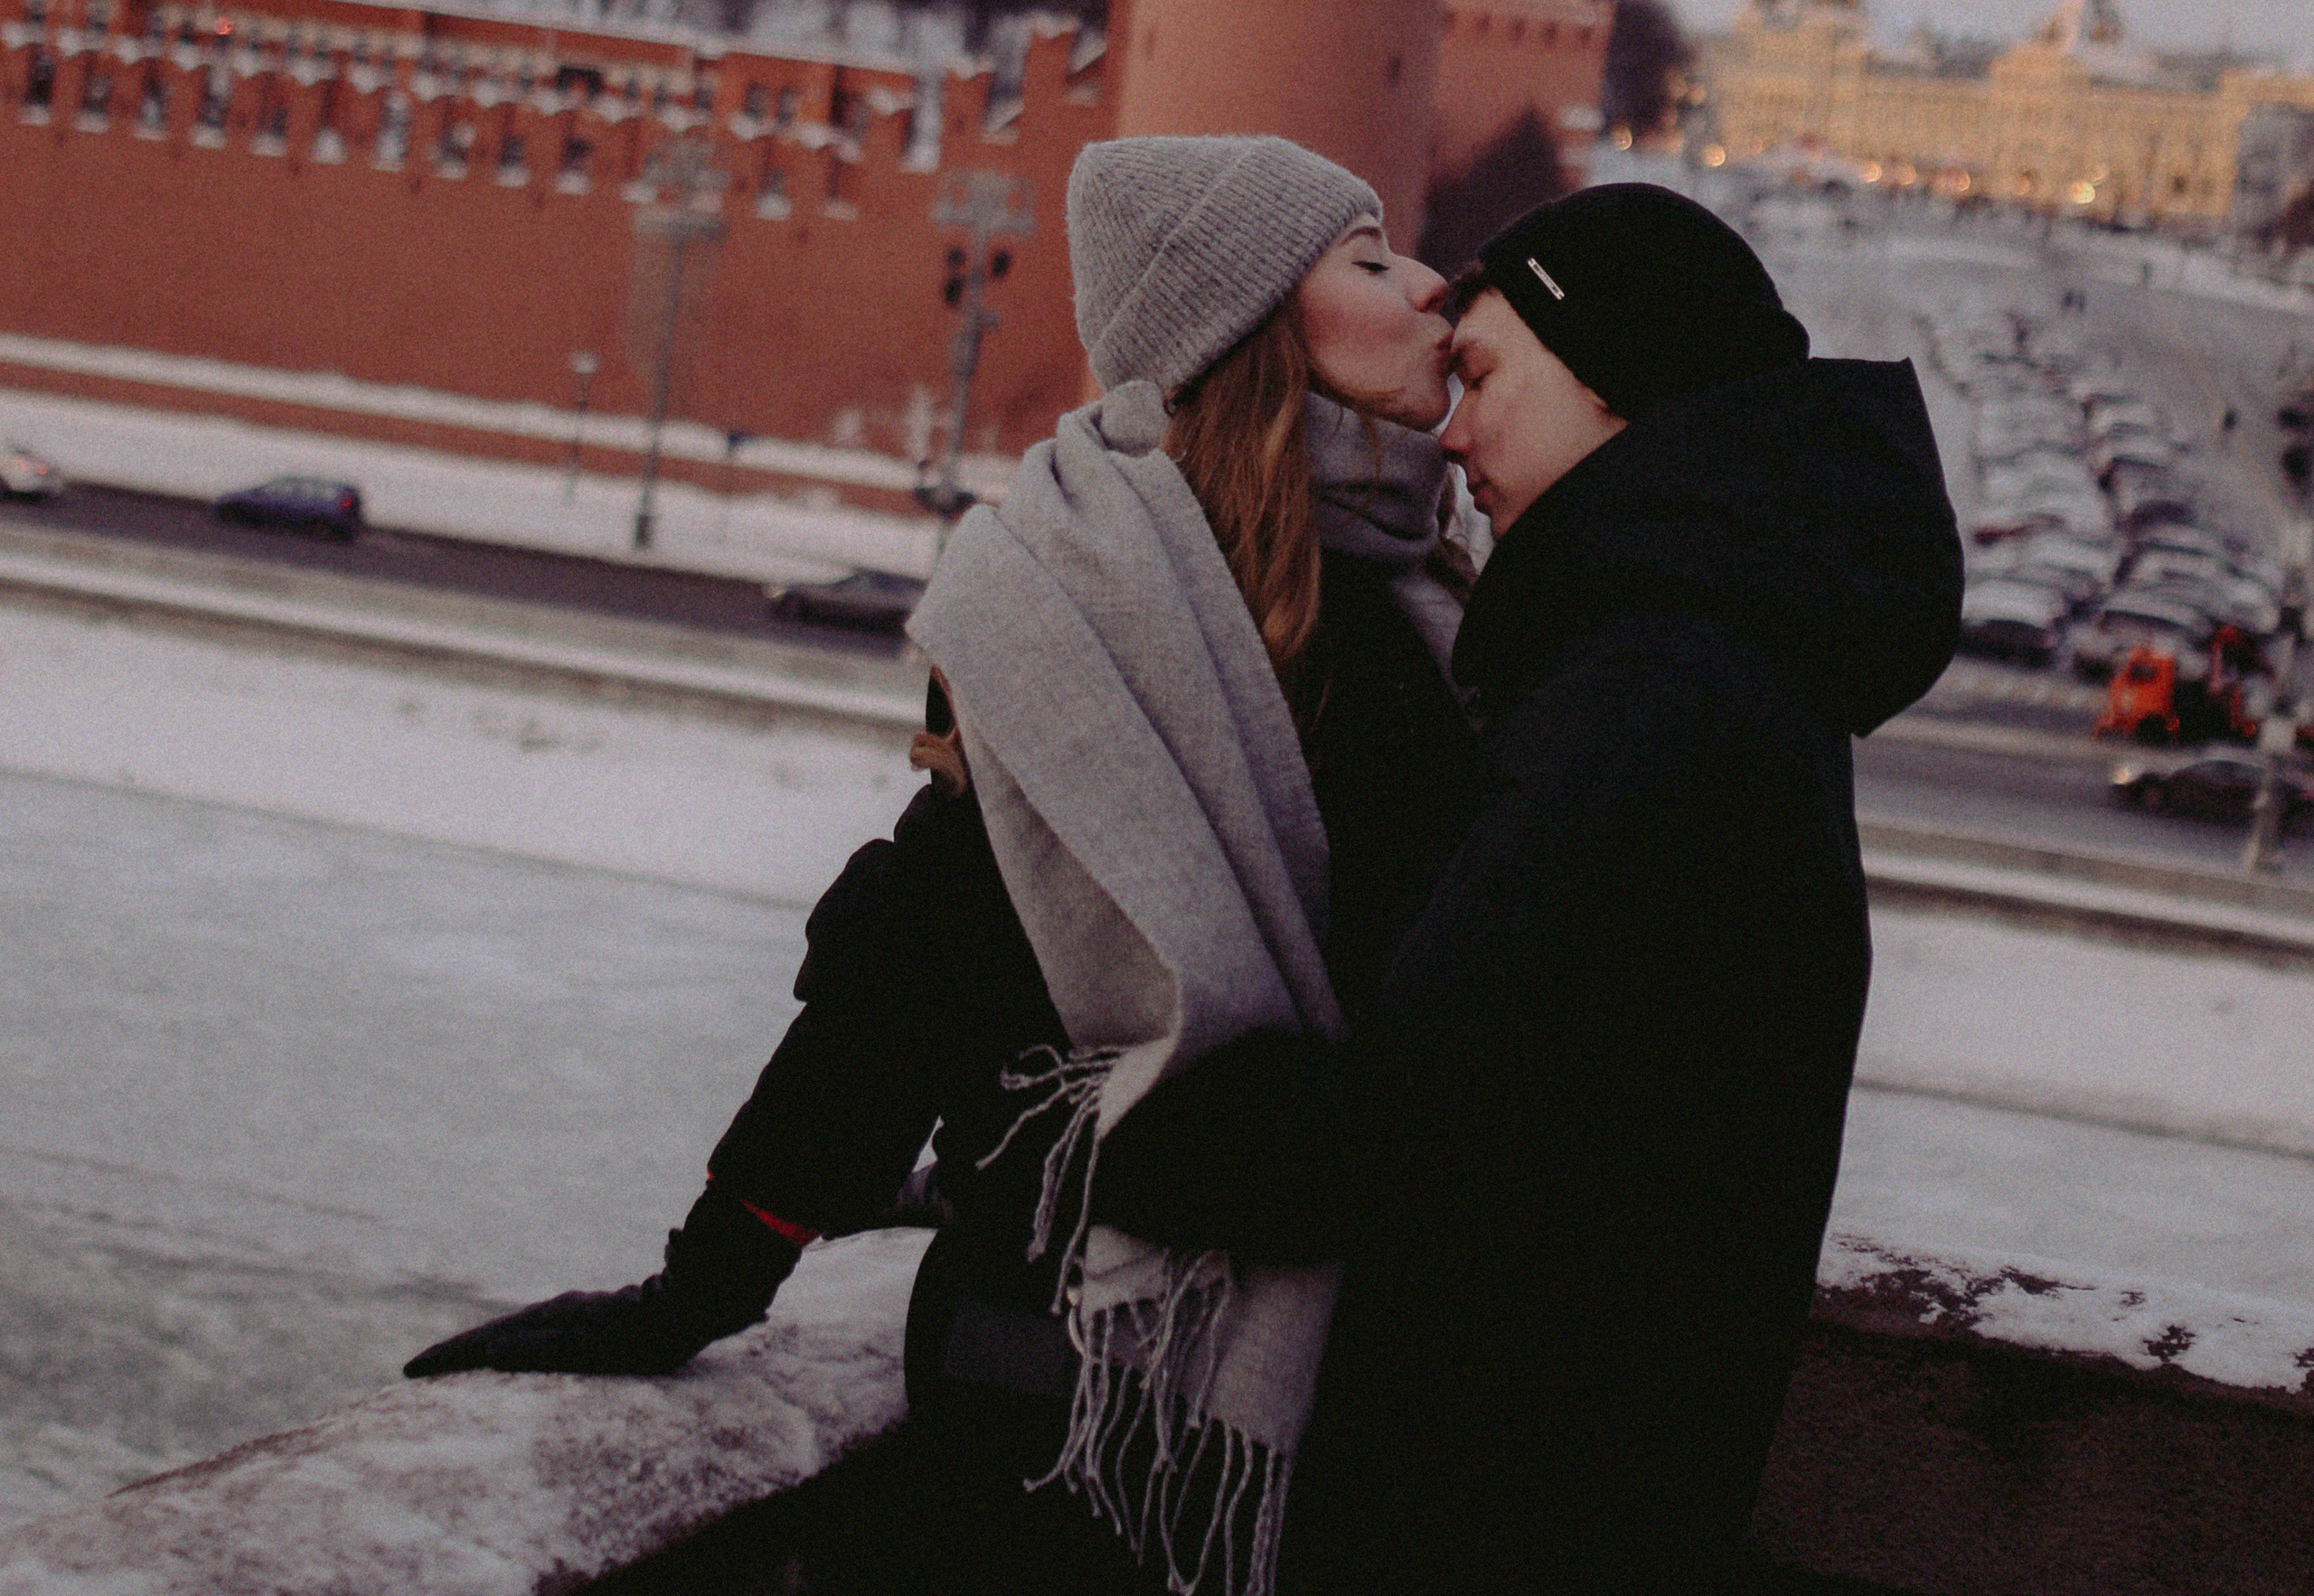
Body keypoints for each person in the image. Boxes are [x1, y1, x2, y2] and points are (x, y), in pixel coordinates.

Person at [407, 133, 1475, 1596]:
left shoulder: (1437, 601)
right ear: (1246, 328)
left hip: (1347, 1381)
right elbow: (910, 970)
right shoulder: (1096, 609)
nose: (1432, 287)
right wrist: (702, 1286)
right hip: (1069, 1387)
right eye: (1367, 261)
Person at [1092, 178, 1964, 1596]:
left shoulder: (1643, 701)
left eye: (1485, 374)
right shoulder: (1719, 664)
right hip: (1608, 1489)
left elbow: (1424, 1127)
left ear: (1617, 378)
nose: (1450, 427)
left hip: (1496, 1505)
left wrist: (1119, 1141)